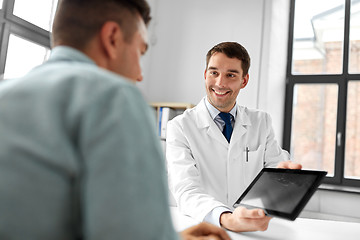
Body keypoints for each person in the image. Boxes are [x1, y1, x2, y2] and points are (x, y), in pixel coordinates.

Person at [0, 1, 230, 239]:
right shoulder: (112, 96)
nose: (140, 75)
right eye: (140, 52)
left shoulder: (4, 93)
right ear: (111, 38)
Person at [166, 42, 302, 232]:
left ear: (244, 81)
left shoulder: (261, 121)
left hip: (253, 228)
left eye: (230, 75)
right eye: (214, 72)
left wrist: (284, 175)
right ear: (205, 75)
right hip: (206, 229)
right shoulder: (180, 127)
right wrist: (227, 219)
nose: (220, 83)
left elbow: (275, 167)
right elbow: (186, 190)